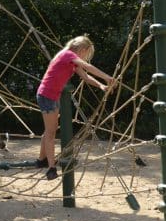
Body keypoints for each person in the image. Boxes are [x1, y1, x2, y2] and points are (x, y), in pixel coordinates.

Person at [36, 36, 116, 180]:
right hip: (46, 95)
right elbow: (87, 67)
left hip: (53, 95)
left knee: (50, 129)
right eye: (86, 53)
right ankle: (51, 168)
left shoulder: (71, 60)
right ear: (82, 49)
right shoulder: (68, 55)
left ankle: (41, 160)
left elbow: (85, 76)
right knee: (51, 131)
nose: (85, 57)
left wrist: (101, 85)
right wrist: (106, 77)